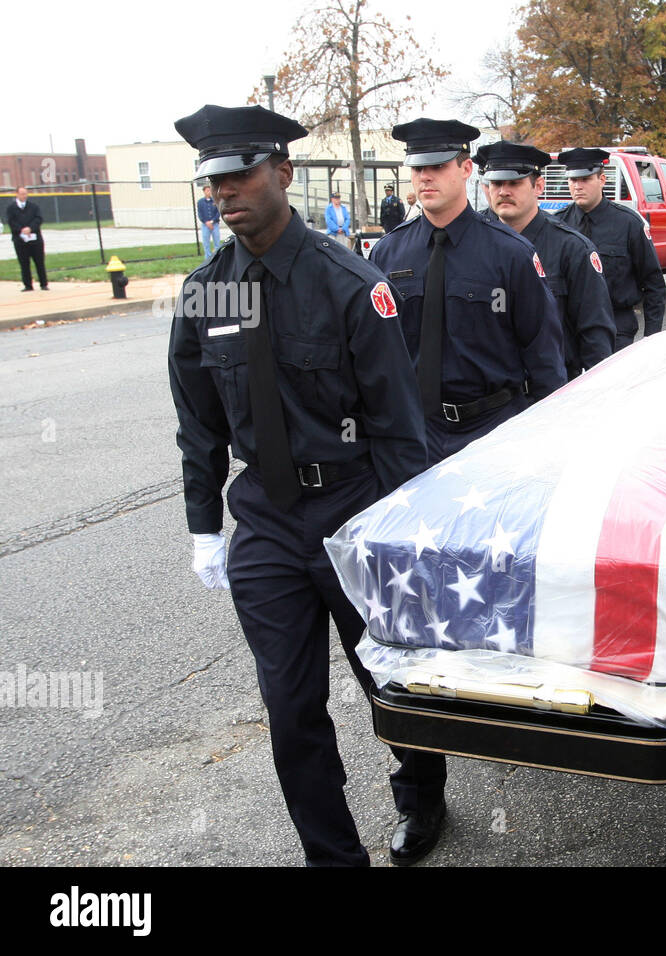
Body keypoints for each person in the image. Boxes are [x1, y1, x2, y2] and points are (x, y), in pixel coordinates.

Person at [167, 104, 446, 867]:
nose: (226, 193)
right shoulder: (208, 293)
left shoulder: (349, 284)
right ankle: (334, 858)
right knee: (290, 709)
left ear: (282, 174)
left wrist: (399, 536)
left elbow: (398, 425)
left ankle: (421, 796)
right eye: (214, 181)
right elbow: (199, 424)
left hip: (350, 512)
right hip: (265, 521)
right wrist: (203, 525)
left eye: (240, 176)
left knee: (388, 686)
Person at [370, 118, 565, 465]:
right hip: (415, 434)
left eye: (438, 166)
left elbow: (543, 356)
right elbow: (376, 354)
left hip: (493, 430)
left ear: (466, 169)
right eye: (417, 168)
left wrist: (544, 441)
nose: (425, 177)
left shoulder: (510, 253)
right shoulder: (388, 252)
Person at [475, 141, 615, 380]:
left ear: (538, 186)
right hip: (488, 399)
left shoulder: (571, 247)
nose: (503, 191)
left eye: (514, 183)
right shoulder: (470, 241)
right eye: (496, 183)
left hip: (550, 392)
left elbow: (595, 333)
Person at [555, 148, 666, 351]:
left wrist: (652, 339)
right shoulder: (558, 224)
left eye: (585, 179)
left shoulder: (628, 223)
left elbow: (653, 283)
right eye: (573, 180)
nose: (578, 186)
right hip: (569, 329)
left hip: (616, 327)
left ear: (602, 180)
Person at [6, 187, 48, 291]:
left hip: (35, 240)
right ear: (17, 194)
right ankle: (28, 285)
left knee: (39, 262)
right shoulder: (11, 208)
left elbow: (39, 218)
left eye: (26, 194)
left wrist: (30, 228)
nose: (24, 196)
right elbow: (11, 221)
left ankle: (43, 284)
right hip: (20, 240)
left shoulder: (33, 207)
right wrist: (22, 230)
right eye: (22, 194)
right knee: (24, 263)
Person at [197, 184, 221, 259]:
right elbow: (200, 214)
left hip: (215, 224)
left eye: (210, 190)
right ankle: (208, 258)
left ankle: (217, 257)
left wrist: (212, 221)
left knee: (217, 242)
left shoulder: (215, 200)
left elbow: (218, 212)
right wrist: (206, 222)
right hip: (205, 225)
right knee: (206, 242)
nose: (209, 192)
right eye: (207, 190)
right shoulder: (200, 202)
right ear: (204, 191)